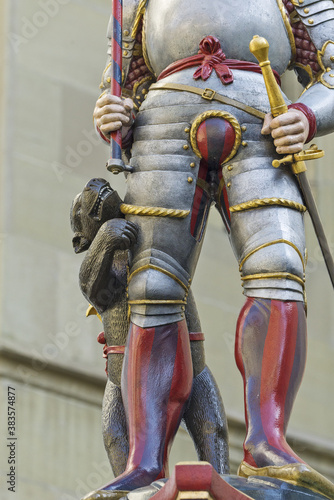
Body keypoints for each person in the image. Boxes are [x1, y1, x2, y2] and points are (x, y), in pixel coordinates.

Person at [89, 0, 334, 497]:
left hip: (263, 121)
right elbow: (122, 83)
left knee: (279, 264)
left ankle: (269, 442)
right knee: (152, 285)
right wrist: (114, 112)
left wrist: (307, 115)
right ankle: (144, 458)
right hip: (164, 123)